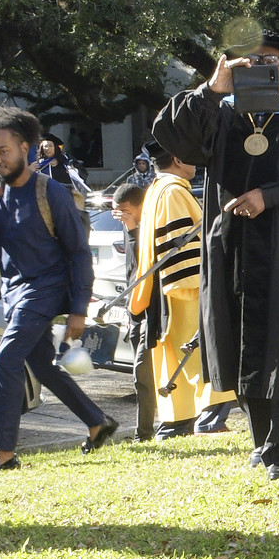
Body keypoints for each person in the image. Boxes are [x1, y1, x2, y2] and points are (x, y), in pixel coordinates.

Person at [152, 33, 279, 479]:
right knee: (238, 347)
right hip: (231, 249)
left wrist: (274, 194)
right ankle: (261, 442)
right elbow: (171, 135)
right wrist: (212, 86)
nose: (264, 65)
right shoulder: (220, 117)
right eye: (254, 60)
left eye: (274, 61)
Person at [0, 107, 118, 472]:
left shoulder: (51, 192)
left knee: (6, 360)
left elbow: (78, 253)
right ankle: (98, 422)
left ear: (25, 148)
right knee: (41, 364)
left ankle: (3, 454)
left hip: (47, 290)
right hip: (14, 293)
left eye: (2, 151)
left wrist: (78, 310)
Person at [129, 142, 238, 437]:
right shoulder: (174, 190)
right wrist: (201, 286)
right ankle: (210, 418)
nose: (197, 163)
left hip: (165, 290)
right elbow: (180, 244)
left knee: (176, 356)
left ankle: (177, 422)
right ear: (177, 158)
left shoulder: (156, 189)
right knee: (199, 353)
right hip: (185, 288)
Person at [109, 180, 155, 439]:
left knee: (143, 374)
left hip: (152, 310)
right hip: (134, 309)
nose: (121, 216)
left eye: (125, 210)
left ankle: (145, 432)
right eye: (116, 211)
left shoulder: (147, 228)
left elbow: (143, 267)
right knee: (141, 376)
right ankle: (144, 431)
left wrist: (133, 229)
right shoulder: (131, 230)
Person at [34, 133, 91, 201]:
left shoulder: (66, 159)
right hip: (49, 197)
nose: (47, 148)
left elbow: (83, 172)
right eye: (45, 146)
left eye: (50, 146)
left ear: (56, 147)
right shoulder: (41, 164)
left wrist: (75, 171)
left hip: (68, 195)